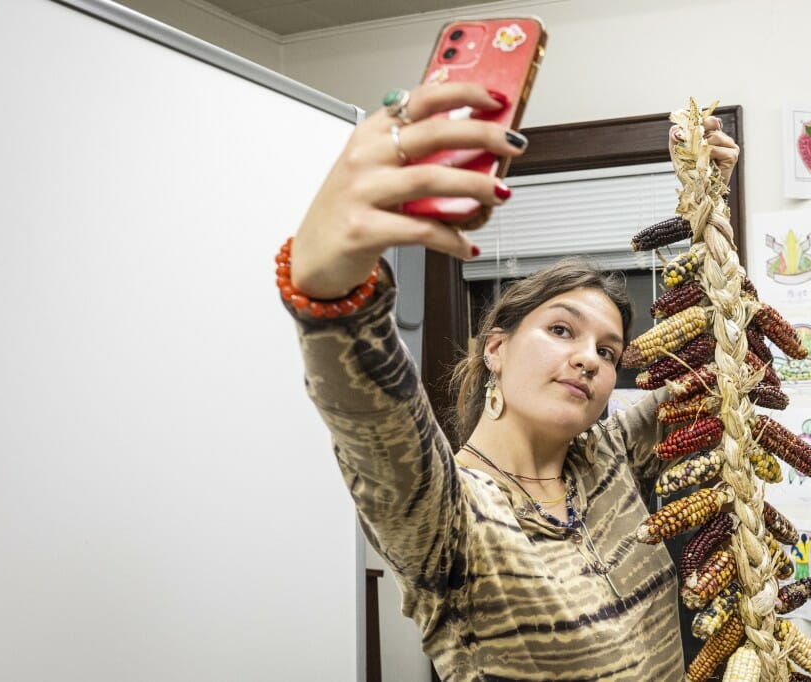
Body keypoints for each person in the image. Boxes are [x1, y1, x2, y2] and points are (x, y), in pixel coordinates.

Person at [279, 82, 739, 681]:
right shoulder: (453, 518)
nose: (590, 360)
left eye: (608, 351)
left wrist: (707, 200)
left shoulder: (608, 456)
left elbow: (721, 362)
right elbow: (379, 428)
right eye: (561, 330)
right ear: (495, 348)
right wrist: (332, 295)